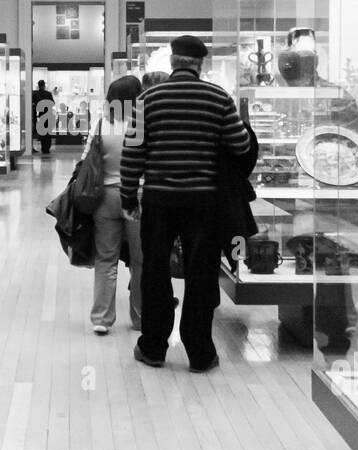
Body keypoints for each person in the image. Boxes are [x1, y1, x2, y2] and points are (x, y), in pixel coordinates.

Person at [120, 35, 251, 372]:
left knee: (154, 271)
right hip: (203, 202)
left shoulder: (146, 99)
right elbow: (239, 145)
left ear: (173, 62)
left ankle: (153, 347)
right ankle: (199, 352)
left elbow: (132, 152)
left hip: (159, 199)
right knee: (201, 274)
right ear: (200, 64)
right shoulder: (218, 98)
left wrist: (127, 195)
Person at [85, 75, 144, 335]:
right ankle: (141, 317)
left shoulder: (101, 124)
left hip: (105, 197)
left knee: (106, 259)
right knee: (141, 261)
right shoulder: (143, 124)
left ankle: (101, 318)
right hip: (139, 197)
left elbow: (86, 158)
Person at [32, 79, 55, 155]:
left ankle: (43, 148)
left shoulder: (35, 94)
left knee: (42, 132)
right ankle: (47, 148)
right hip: (48, 114)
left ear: (38, 86)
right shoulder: (48, 93)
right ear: (44, 85)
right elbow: (52, 103)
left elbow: (34, 104)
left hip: (41, 115)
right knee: (48, 132)